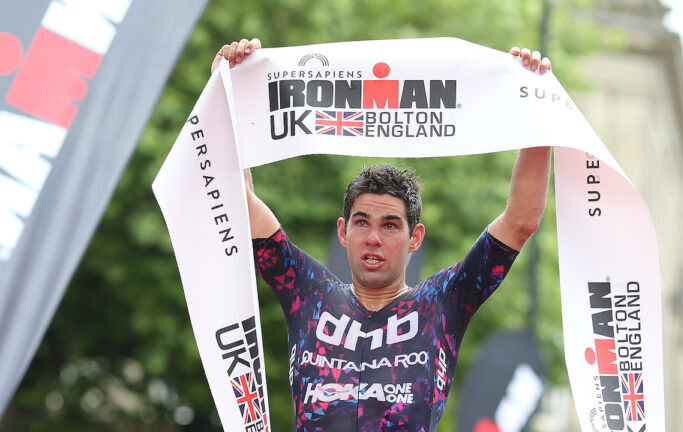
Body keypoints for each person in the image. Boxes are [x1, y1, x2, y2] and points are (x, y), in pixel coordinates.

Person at [212, 38, 552, 432]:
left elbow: (521, 221)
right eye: (362, 222)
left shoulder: (442, 304)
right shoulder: (309, 293)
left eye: (390, 225)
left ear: (415, 238)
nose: (374, 237)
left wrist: (537, 107)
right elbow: (239, 204)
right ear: (343, 231)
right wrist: (225, 95)